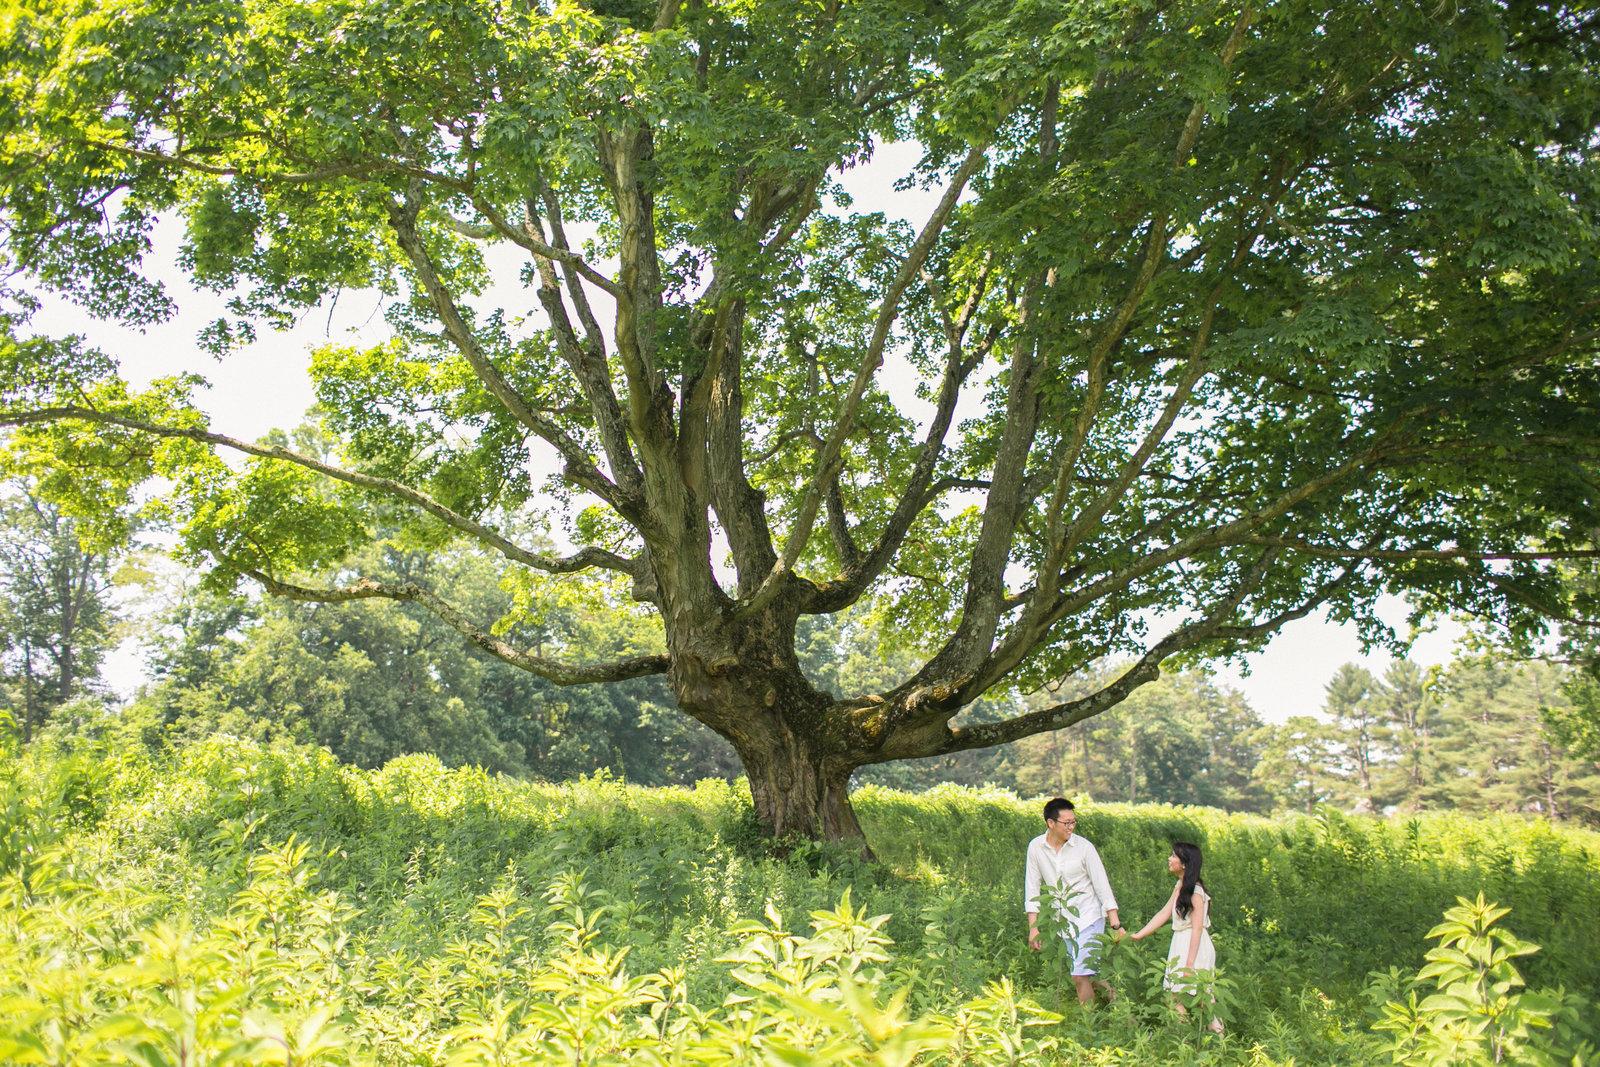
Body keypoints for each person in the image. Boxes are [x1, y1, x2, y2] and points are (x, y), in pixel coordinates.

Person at [1024, 797, 1124, 1005]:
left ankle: (1088, 1030)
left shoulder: (1084, 848)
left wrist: (1115, 923)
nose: (1071, 827)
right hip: (1063, 921)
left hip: (1089, 917)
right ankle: (1128, 1019)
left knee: (1079, 975)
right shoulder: (1036, 847)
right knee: (1091, 977)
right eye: (1066, 823)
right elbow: (1032, 888)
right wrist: (1034, 927)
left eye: (1073, 822)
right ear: (1051, 823)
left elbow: (1102, 885)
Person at [1129, 841, 1224, 1034]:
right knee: (1175, 997)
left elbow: (1197, 929)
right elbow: (1164, 913)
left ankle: (1216, 1043)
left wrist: (1190, 964)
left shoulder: (1196, 892)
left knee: (1203, 1000)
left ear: (1185, 864)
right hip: (1181, 944)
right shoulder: (1181, 886)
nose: (1169, 859)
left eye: (1173, 856)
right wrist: (1139, 935)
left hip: (1194, 947)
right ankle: (1186, 1041)